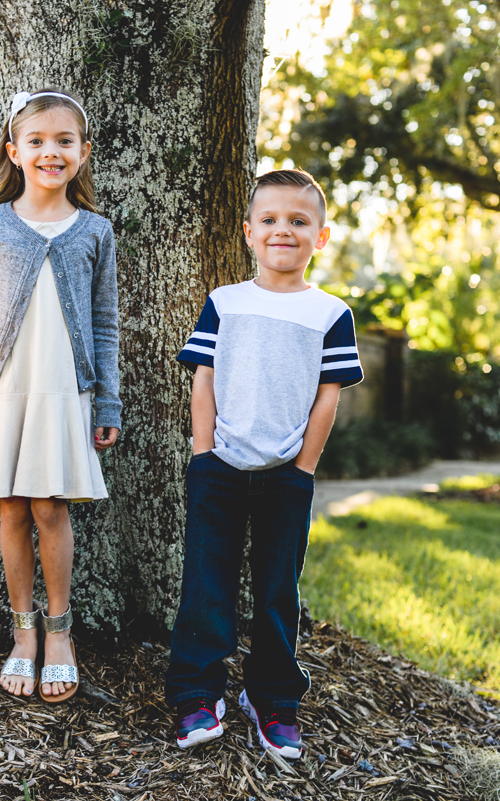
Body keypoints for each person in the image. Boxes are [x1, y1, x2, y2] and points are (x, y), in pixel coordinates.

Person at [165, 169, 363, 755]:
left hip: (286, 476)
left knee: (278, 590)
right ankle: (198, 695)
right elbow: (204, 380)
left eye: (299, 222)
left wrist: (303, 468)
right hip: (218, 469)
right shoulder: (225, 303)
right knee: (206, 585)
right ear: (249, 232)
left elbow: (328, 395)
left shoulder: (331, 314)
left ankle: (274, 699)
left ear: (320, 238)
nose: (284, 231)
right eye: (271, 220)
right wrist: (204, 456)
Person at [0, 88, 121, 703]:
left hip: (64, 390)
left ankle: (59, 633)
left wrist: (108, 403)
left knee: (52, 508)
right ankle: (21, 633)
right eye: (38, 141)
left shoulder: (95, 231)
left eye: (64, 141)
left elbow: (105, 324)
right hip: (5, 389)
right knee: (12, 509)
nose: (51, 151)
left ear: (82, 153)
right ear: (14, 151)